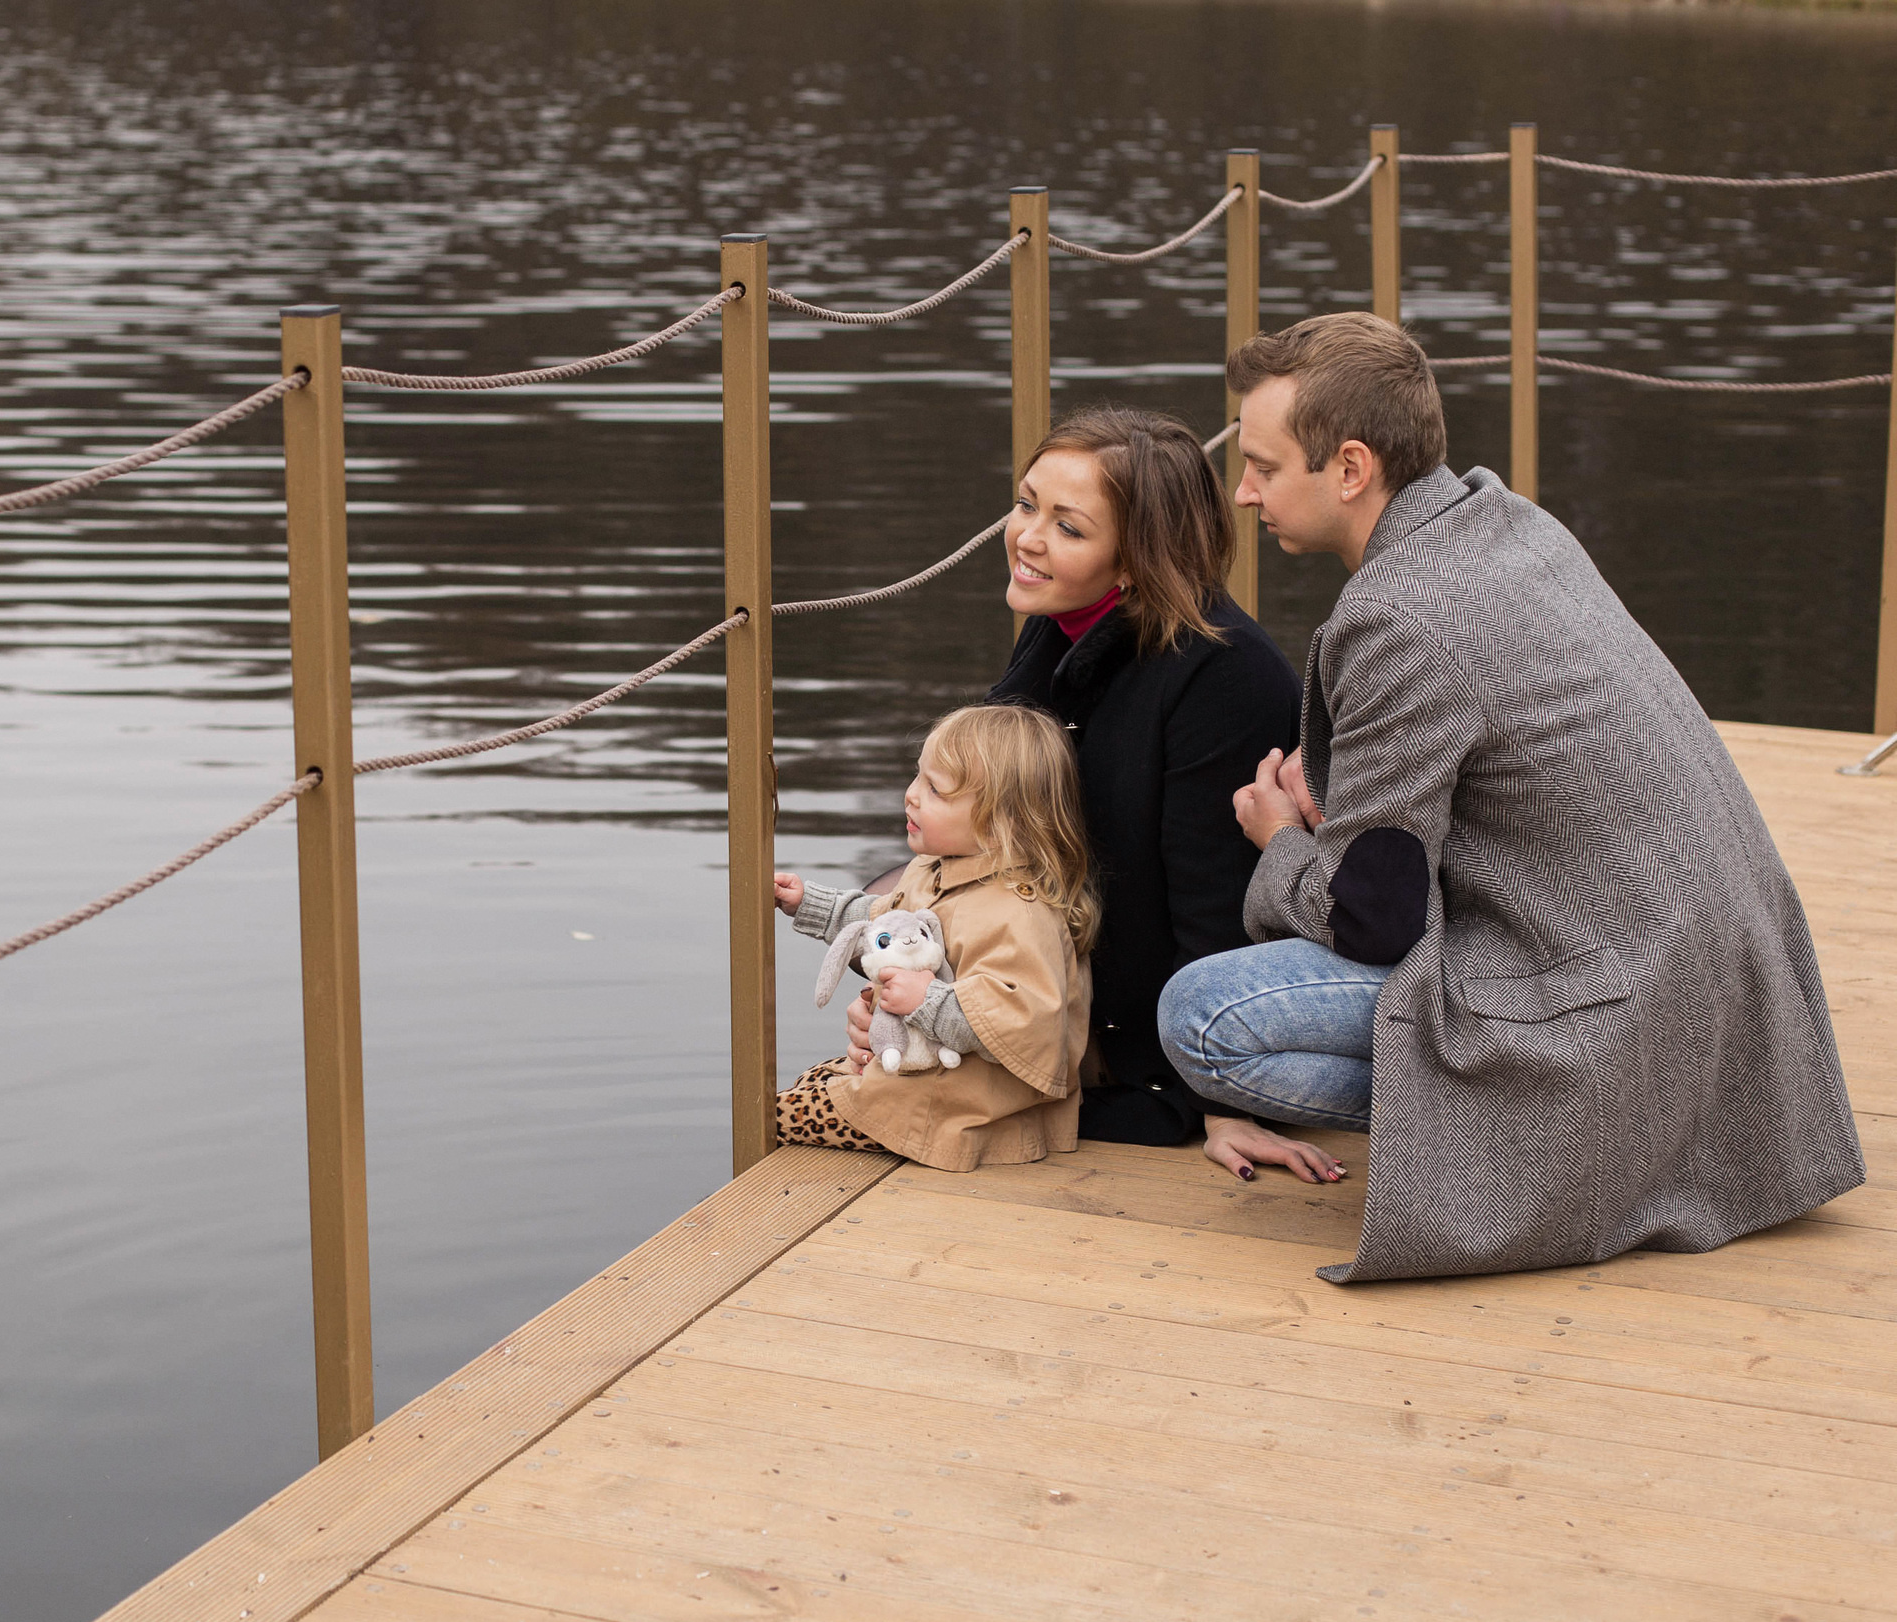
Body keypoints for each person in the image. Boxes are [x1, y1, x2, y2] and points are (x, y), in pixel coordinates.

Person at [1157, 311, 1865, 1282]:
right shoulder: (1504, 519)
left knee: (1202, 1016)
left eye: (1266, 467)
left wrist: (1280, 841)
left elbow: (1373, 917)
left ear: (1352, 467)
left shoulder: (1394, 620)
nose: (1242, 493)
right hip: (1722, 975)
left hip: (1625, 1004)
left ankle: (1535, 1133)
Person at [948, 406, 1327, 1180]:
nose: (1026, 538)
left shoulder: (1224, 677)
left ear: (1136, 560)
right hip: (1060, 986)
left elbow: (1221, 899)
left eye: (1069, 527)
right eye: (1026, 506)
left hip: (1161, 1048)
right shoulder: (1060, 626)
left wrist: (1220, 1097)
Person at [773, 705, 1094, 1170]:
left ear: (1002, 820)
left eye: (935, 789)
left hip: (968, 1110)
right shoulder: (935, 868)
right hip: (929, 1079)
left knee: (773, 1116)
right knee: (808, 1080)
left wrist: (930, 1000)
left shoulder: (1020, 913)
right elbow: (884, 923)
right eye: (917, 777)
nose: (911, 797)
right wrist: (810, 903)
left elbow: (1026, 1022)